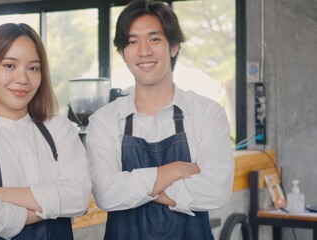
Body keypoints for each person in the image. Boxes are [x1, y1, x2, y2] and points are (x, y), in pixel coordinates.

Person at [87, 0, 234, 239]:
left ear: (174, 46)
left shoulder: (207, 113)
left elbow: (216, 191)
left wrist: (133, 188)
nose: (143, 50)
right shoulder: (104, 121)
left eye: (154, 39)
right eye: (132, 41)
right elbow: (107, 194)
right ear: (123, 53)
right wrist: (176, 169)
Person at [0, 23, 91, 240]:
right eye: (9, 66)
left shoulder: (59, 129)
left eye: (33, 68)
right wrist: (47, 209)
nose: (23, 79)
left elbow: (79, 198)